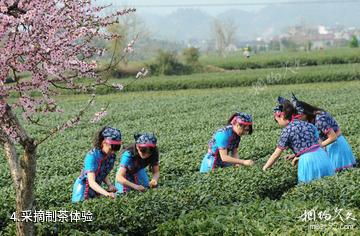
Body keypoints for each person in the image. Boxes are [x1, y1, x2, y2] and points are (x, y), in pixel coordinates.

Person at [263, 97, 334, 183]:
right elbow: (319, 145)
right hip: (322, 157)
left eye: (277, 120)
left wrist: (265, 168)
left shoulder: (287, 131)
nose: (278, 123)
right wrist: (296, 156)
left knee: (309, 186)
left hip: (308, 161)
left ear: (282, 116)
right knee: (326, 184)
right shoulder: (308, 125)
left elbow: (276, 154)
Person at [291, 93, 357, 172]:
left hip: (335, 147)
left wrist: (317, 148)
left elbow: (333, 137)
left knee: (339, 172)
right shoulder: (311, 119)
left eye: (298, 117)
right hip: (328, 146)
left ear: (304, 113)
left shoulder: (319, 118)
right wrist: (298, 154)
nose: (298, 120)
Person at [71, 126, 122, 203]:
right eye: (111, 149)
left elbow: (103, 171)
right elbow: (91, 182)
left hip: (96, 187)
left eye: (115, 150)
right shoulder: (92, 156)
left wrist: (109, 185)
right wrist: (107, 194)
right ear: (104, 142)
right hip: (84, 188)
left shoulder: (110, 155)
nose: (112, 152)